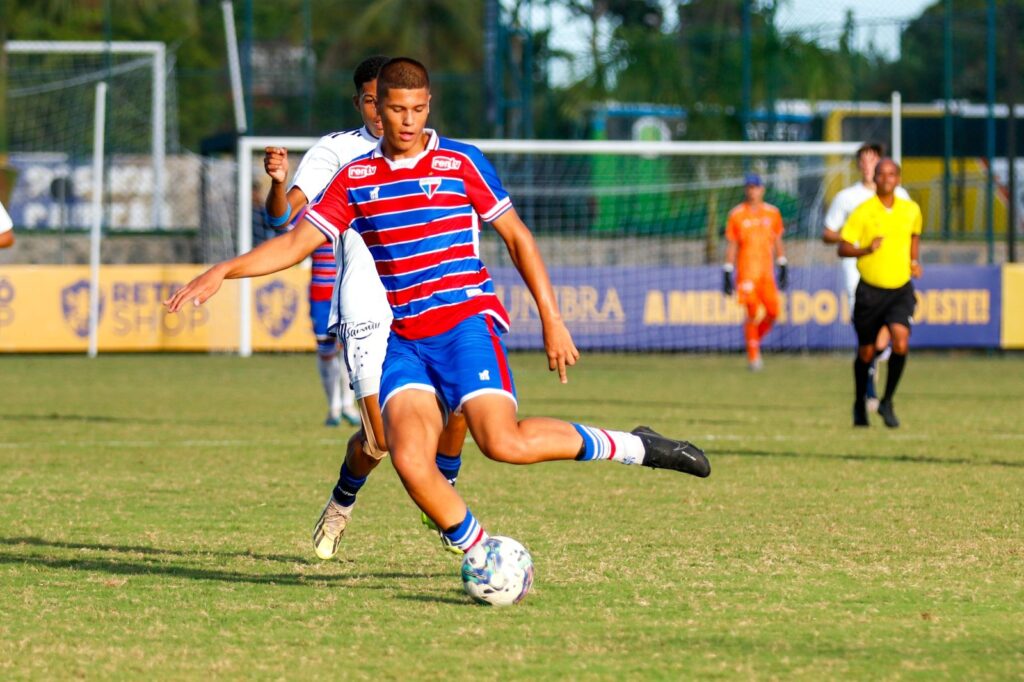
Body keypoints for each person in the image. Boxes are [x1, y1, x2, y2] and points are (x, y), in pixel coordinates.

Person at [165, 57, 710, 557]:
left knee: (502, 442)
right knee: (404, 456)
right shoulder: (354, 179)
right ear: (376, 108)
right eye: (396, 109)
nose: (407, 120)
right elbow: (291, 243)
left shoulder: (461, 161)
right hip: (406, 339)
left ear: (429, 106)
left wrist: (552, 317)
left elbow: (518, 238)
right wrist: (222, 271)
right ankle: (483, 554)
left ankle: (637, 447)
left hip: (465, 325)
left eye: (417, 109)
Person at [262, 55, 471, 559]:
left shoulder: (437, 151)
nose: (385, 112)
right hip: (366, 302)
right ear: (360, 103)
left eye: (394, 102)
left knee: (464, 405)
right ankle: (342, 500)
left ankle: (441, 494)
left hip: (431, 296)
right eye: (374, 101)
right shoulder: (338, 152)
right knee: (380, 439)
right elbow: (282, 219)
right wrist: (275, 183)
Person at [822, 143, 911, 410]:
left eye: (874, 160)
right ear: (859, 165)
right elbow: (828, 234)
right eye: (864, 161)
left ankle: (874, 387)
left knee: (889, 338)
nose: (869, 166)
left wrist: (912, 260)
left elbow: (910, 226)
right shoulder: (847, 198)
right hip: (859, 277)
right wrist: (856, 238)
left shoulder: (901, 196)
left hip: (895, 277)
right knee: (868, 341)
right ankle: (869, 392)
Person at [838, 158, 922, 428]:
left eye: (891, 174)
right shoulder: (863, 211)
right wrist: (865, 250)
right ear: (874, 178)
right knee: (866, 352)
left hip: (900, 289)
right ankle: (859, 402)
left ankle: (887, 401)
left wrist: (914, 260)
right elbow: (843, 247)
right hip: (870, 292)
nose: (886, 178)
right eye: (881, 174)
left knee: (900, 342)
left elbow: (914, 236)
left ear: (898, 178)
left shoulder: (911, 209)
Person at [722, 173, 787, 371]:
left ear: (762, 189)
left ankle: (753, 341)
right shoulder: (737, 214)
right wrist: (727, 270)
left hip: (766, 274)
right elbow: (732, 244)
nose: (752, 191)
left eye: (756, 187)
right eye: (749, 187)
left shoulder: (772, 213)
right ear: (746, 189)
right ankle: (753, 357)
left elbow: (777, 239)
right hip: (747, 272)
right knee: (750, 312)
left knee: (774, 312)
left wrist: (782, 262)